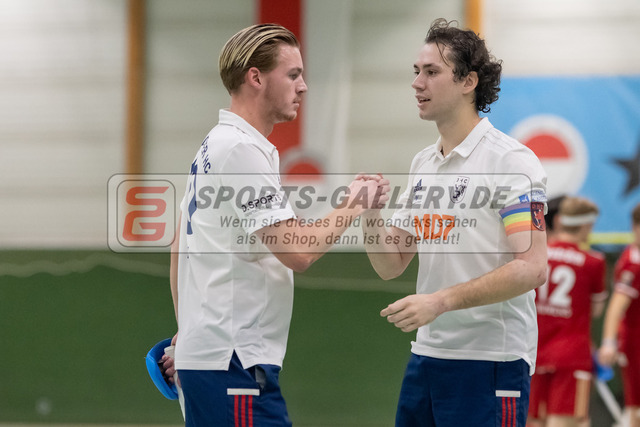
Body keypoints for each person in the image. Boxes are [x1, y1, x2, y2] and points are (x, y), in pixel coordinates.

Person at [161, 23, 385, 427]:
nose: (303, 87)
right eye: (293, 74)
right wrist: (354, 201)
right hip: (233, 363)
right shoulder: (240, 149)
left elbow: (180, 244)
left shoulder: (215, 145)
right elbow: (298, 251)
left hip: (215, 358)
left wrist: (188, 330)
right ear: (256, 78)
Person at [359, 18, 548, 427]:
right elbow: (391, 264)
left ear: (468, 82)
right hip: (427, 358)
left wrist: (439, 301)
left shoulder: (511, 161)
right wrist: (370, 214)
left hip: (492, 361)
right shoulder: (423, 164)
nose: (417, 83)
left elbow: (532, 268)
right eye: (416, 71)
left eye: (431, 72)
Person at [527, 197, 607, 427]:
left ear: (560, 221)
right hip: (572, 355)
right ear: (586, 225)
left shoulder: (537, 254)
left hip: (534, 351)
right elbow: (596, 310)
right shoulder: (593, 261)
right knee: (564, 422)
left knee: (532, 421)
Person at [598, 202, 640, 427]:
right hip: (635, 343)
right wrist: (609, 342)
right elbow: (616, 305)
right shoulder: (633, 262)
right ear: (635, 228)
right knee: (636, 407)